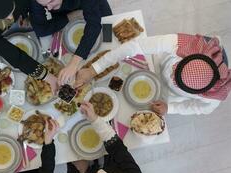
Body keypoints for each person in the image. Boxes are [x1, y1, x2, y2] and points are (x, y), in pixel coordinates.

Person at [74, 34, 231, 115]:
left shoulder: (214, 96)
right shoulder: (181, 44)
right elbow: (135, 46)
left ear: (199, 92)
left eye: (176, 82)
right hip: (157, 64)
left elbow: (198, 108)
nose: (171, 78)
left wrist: (171, 109)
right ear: (186, 57)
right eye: (174, 71)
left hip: (167, 96)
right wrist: (94, 69)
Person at [64, 101, 145, 173]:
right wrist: (95, 120)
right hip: (113, 162)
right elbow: (118, 147)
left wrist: (82, 172)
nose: (99, 172)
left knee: (68, 150)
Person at [29, 0, 112, 85]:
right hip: (65, 15)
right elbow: (41, 30)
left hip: (95, 7)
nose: (49, 8)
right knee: (66, 51)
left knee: (109, 42)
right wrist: (69, 17)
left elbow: (94, 25)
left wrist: (74, 62)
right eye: (45, 5)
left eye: (51, 1)